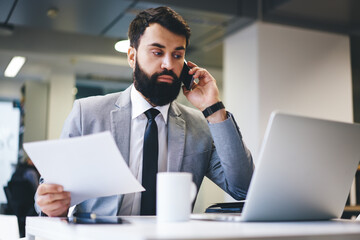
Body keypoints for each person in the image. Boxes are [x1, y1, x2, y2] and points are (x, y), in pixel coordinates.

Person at [35, 6, 254, 217]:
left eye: (177, 55)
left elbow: (244, 189)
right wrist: (52, 205)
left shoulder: (199, 126)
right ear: (132, 57)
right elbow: (51, 191)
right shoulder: (88, 113)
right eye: (157, 52)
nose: (168, 64)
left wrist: (213, 109)